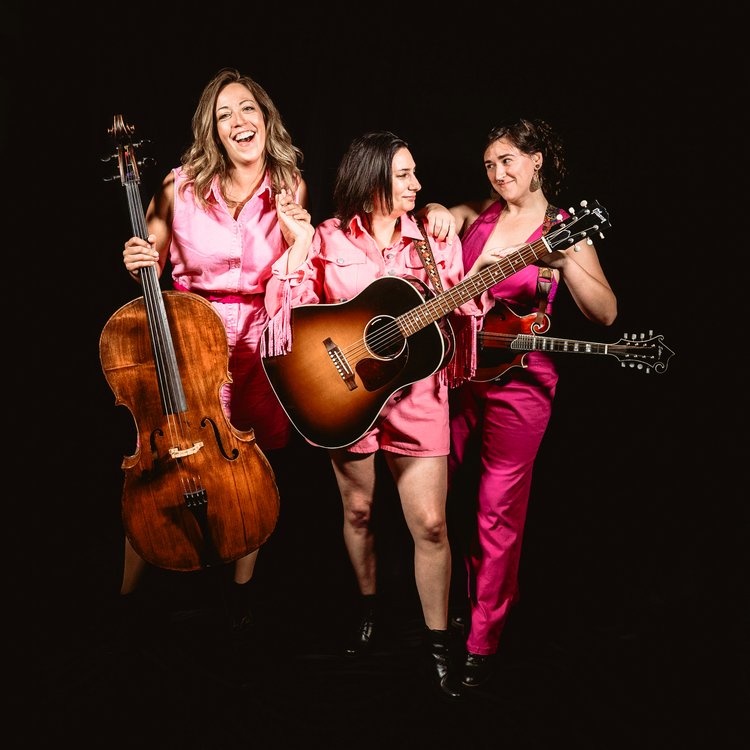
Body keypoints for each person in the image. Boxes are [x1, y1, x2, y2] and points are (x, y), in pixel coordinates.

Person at [264, 131, 500, 698]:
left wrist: (472, 293)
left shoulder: (432, 239)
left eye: (417, 174)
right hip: (345, 398)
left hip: (418, 399)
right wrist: (296, 253)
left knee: (433, 525)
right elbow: (287, 319)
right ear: (370, 179)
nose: (417, 186)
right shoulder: (324, 237)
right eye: (404, 175)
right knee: (361, 510)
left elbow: (467, 313)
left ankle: (438, 644)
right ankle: (369, 611)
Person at [423, 117, 617, 688]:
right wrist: (437, 210)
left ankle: (482, 641)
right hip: (458, 375)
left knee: (497, 509)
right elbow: (441, 219)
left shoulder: (565, 231)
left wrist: (565, 266)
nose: (498, 172)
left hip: (522, 385)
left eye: (508, 160)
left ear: (537, 161)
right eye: (489, 163)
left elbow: (606, 313)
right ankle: (454, 605)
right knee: (441, 499)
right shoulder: (479, 214)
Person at [120, 67, 314, 631]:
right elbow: (147, 262)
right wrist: (135, 259)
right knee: (161, 460)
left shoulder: (289, 183)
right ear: (212, 128)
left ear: (265, 117)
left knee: (247, 463)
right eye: (224, 114)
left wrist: (299, 241)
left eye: (247, 108)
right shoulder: (178, 186)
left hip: (260, 338)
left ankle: (239, 596)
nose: (238, 121)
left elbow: (297, 267)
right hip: (189, 335)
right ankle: (126, 599)